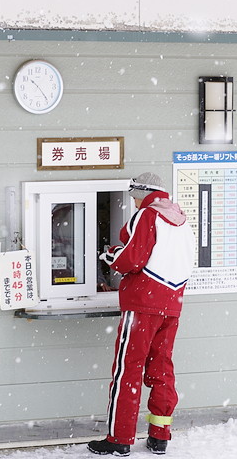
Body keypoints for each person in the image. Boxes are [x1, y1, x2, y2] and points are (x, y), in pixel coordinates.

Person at [88, 172, 195, 456]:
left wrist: (109, 255)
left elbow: (130, 260)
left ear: (143, 194)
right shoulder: (182, 219)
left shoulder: (146, 215)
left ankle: (120, 439)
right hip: (172, 303)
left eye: (135, 196)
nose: (133, 202)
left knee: (128, 370)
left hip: (142, 303)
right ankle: (160, 436)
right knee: (161, 368)